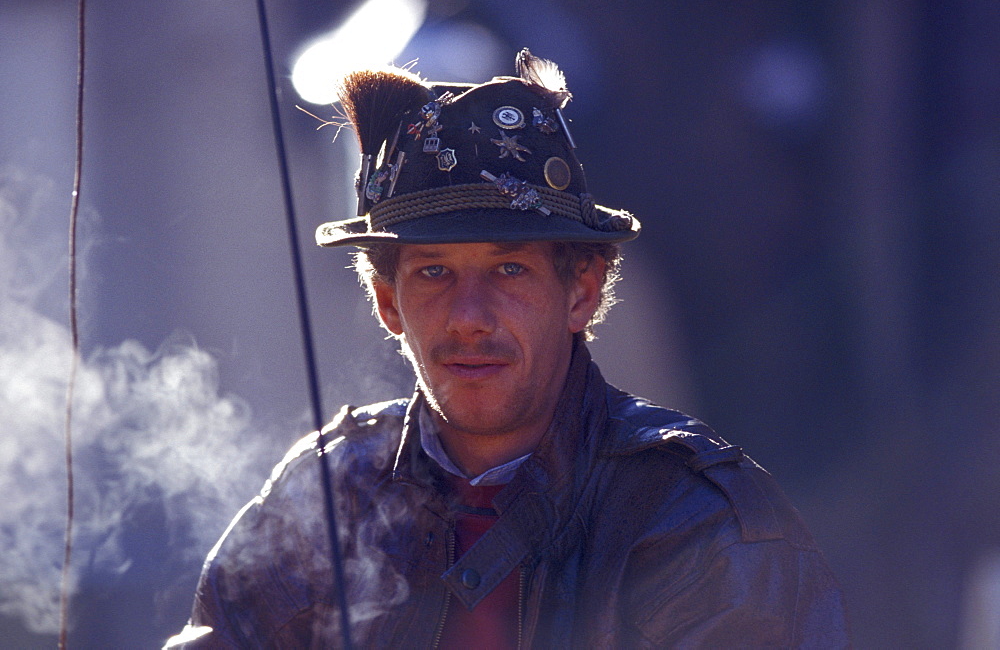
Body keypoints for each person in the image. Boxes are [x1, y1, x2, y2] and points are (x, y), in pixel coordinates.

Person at [167, 49, 849, 648]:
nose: (469, 316)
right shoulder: (326, 497)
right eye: (434, 271)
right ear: (387, 303)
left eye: (509, 269)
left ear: (581, 290)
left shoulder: (699, 524)